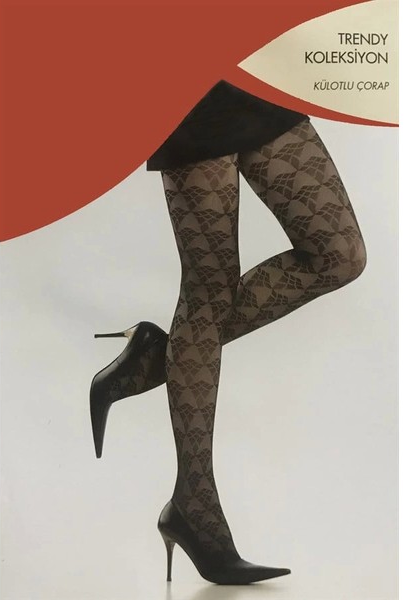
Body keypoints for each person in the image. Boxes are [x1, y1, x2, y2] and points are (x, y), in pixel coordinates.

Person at [90, 79, 367, 584]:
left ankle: (153, 358)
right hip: (184, 77)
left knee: (338, 255)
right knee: (209, 287)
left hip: (255, 69)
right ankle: (194, 502)